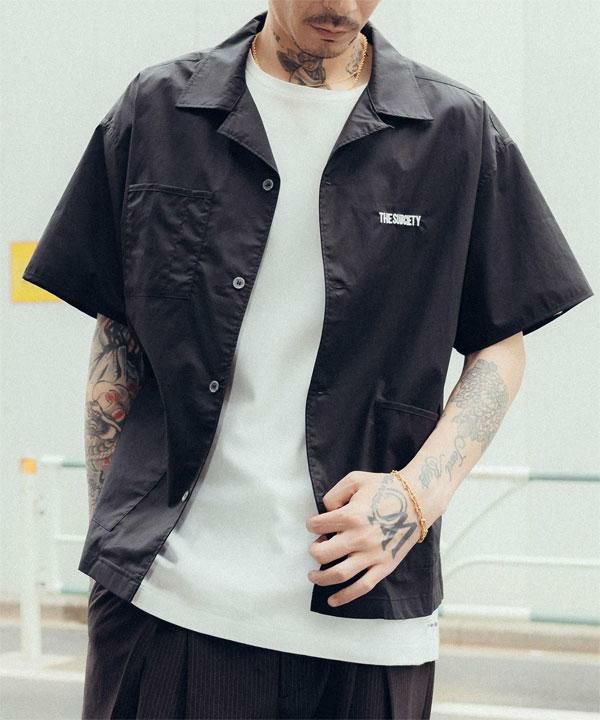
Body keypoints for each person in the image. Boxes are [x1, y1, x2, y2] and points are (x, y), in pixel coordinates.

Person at [23, 1, 594, 718]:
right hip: (169, 602)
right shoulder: (160, 110)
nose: (341, 7)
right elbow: (120, 335)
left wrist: (416, 497)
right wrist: (115, 546)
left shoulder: (455, 130)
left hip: (367, 624)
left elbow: (501, 342)